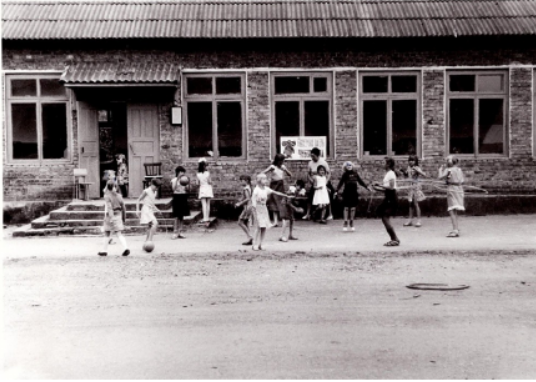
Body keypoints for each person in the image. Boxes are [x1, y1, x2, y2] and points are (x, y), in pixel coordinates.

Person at [251, 173, 293, 251]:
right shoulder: (256, 190)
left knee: (264, 227)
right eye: (264, 179)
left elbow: (276, 192)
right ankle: (254, 244)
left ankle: (261, 244)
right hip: (257, 209)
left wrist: (286, 196)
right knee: (258, 227)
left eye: (266, 179)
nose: (266, 180)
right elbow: (253, 201)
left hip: (264, 210)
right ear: (259, 180)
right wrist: (254, 212)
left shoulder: (266, 189)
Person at [335, 161, 372, 232]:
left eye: (350, 165)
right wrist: (336, 191)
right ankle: (345, 222)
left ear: (352, 166)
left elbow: (361, 182)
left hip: (354, 193)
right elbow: (340, 183)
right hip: (346, 193)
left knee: (352, 208)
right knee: (346, 208)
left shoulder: (355, 174)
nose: (349, 167)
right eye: (347, 166)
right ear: (345, 167)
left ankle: (351, 222)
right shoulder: (345, 174)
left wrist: (367, 187)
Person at [372, 157, 400, 246]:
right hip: (388, 197)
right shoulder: (388, 173)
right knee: (383, 216)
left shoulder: (391, 174)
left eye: (383, 162)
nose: (382, 164)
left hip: (391, 198)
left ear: (388, 164)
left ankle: (394, 239)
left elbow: (391, 188)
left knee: (385, 217)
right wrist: (377, 188)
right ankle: (394, 238)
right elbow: (387, 189)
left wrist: (379, 185)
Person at [99, 180, 130, 257]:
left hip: (110, 216)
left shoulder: (107, 196)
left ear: (108, 187)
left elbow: (109, 208)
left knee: (107, 233)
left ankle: (104, 250)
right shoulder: (119, 196)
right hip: (118, 215)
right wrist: (123, 219)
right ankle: (125, 247)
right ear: (115, 187)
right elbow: (124, 208)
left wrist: (111, 218)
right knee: (119, 233)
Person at [438, 155, 464, 237]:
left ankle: (455, 230)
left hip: (452, 190)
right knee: (455, 209)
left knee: (452, 210)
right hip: (459, 190)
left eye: (447, 160)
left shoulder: (448, 170)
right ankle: (456, 227)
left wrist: (440, 170)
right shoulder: (459, 170)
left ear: (452, 161)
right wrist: (449, 181)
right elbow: (461, 181)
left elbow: (440, 177)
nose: (446, 162)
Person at [263, 153, 292, 227]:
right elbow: (264, 172)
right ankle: (275, 221)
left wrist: (285, 170)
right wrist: (263, 179)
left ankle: (283, 220)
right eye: (281, 161)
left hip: (280, 185)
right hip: (273, 185)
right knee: (273, 202)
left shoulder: (283, 167)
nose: (282, 162)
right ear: (277, 160)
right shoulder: (272, 167)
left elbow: (290, 174)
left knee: (281, 202)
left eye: (283, 161)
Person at [303, 147, 332, 220]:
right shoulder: (310, 163)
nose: (312, 157)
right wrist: (311, 181)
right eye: (311, 156)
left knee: (326, 198)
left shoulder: (323, 162)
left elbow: (329, 173)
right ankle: (308, 214)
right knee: (310, 198)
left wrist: (326, 182)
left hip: (323, 183)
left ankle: (330, 214)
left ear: (318, 155)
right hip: (315, 183)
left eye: (313, 156)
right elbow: (308, 174)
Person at [401, 155, 427, 227]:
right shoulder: (409, 168)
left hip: (415, 187)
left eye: (412, 160)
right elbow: (407, 176)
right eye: (409, 160)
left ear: (415, 161)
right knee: (410, 204)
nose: (411, 162)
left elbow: (424, 175)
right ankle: (410, 220)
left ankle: (419, 220)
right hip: (410, 187)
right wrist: (404, 172)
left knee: (416, 204)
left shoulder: (416, 168)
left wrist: (418, 170)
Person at [136, 178, 161, 245]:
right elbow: (138, 200)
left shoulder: (155, 192)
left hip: (150, 210)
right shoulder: (146, 191)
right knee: (155, 223)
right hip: (146, 209)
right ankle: (150, 241)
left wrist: (157, 210)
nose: (157, 188)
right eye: (156, 186)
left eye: (158, 187)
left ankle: (146, 242)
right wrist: (137, 210)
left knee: (149, 226)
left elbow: (152, 204)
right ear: (152, 184)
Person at [170, 166, 190, 239]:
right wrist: (177, 180)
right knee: (176, 216)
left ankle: (180, 232)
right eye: (181, 172)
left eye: (183, 172)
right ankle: (175, 232)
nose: (182, 174)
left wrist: (187, 183)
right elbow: (173, 189)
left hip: (183, 196)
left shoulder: (185, 179)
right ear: (178, 172)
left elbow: (187, 189)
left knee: (182, 216)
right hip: (176, 197)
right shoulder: (174, 180)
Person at [235, 175, 253, 246]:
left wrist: (239, 203)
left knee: (240, 222)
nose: (241, 182)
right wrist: (240, 199)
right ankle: (249, 238)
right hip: (250, 206)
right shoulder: (249, 187)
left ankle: (250, 237)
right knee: (245, 222)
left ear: (247, 181)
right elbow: (245, 197)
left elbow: (248, 198)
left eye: (242, 180)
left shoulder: (246, 188)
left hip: (247, 207)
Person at [197, 158, 213, 226]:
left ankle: (204, 218)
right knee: (208, 204)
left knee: (203, 204)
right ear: (204, 166)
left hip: (202, 188)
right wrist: (211, 182)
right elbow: (210, 182)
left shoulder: (198, 174)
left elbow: (197, 183)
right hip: (208, 188)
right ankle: (207, 217)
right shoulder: (208, 173)